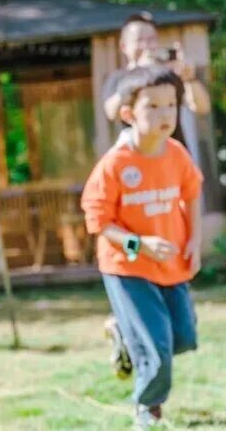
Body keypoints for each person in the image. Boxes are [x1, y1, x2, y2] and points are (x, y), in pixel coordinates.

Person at [81, 65, 202, 429]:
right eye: (153, 106)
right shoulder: (115, 165)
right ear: (129, 114)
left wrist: (194, 240)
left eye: (171, 104)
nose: (165, 114)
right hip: (127, 267)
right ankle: (147, 408)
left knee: (184, 337)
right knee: (158, 349)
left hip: (171, 264)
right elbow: (98, 221)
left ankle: (123, 332)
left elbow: (193, 193)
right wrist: (139, 244)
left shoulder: (177, 153)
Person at [102, 12, 211, 151]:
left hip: (174, 156)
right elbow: (112, 113)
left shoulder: (167, 75)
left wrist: (189, 77)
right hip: (138, 159)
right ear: (124, 46)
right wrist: (140, 74)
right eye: (139, 39)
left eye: (151, 39)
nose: (147, 45)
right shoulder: (118, 78)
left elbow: (202, 107)